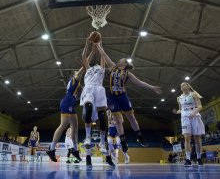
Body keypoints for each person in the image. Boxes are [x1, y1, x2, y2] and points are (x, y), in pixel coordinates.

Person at [95, 42, 162, 147]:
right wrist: (98, 45)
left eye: (121, 60)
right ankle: (123, 140)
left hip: (122, 96)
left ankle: (140, 136)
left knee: (131, 117)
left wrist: (152, 87)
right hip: (112, 97)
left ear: (125, 63)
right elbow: (104, 55)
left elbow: (140, 83)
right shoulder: (112, 66)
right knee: (117, 120)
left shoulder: (128, 73)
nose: (118, 60)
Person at [46, 46, 95, 163]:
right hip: (66, 102)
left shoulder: (76, 85)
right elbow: (84, 65)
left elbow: (79, 94)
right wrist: (92, 51)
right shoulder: (75, 78)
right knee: (63, 125)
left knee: (75, 127)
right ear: (74, 75)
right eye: (76, 72)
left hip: (70, 103)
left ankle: (75, 150)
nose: (78, 72)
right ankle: (51, 149)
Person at [80, 34, 114, 166]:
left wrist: (100, 43)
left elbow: (103, 56)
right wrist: (87, 43)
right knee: (87, 107)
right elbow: (83, 57)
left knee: (102, 115)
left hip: (99, 89)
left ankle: (101, 141)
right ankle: (88, 137)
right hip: (88, 89)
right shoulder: (88, 69)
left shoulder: (101, 68)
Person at [173, 82, 205, 166]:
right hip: (185, 119)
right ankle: (188, 159)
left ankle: (198, 158)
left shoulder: (194, 94)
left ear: (188, 86)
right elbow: (181, 109)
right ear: (181, 88)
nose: (183, 86)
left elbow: (200, 106)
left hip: (195, 117)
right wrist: (177, 111)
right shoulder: (179, 98)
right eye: (181, 85)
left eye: (184, 85)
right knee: (187, 138)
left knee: (197, 139)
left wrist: (193, 113)